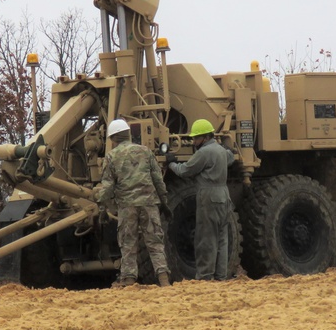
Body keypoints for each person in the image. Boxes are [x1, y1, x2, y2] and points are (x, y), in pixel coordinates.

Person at [95, 119, 172, 288]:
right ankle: (164, 279)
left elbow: (107, 187)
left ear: (113, 138)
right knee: (155, 241)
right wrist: (164, 203)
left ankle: (129, 281)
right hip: (149, 203)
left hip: (127, 206)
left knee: (128, 242)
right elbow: (158, 181)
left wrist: (102, 208)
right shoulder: (145, 151)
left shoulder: (112, 156)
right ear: (128, 134)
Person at [166, 119, 235, 281]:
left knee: (206, 238)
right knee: (222, 238)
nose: (193, 141)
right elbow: (231, 157)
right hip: (224, 195)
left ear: (204, 137)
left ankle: (205, 276)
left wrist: (171, 163)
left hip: (209, 197)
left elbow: (185, 171)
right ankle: (221, 276)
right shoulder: (219, 150)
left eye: (196, 138)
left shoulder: (204, 153)